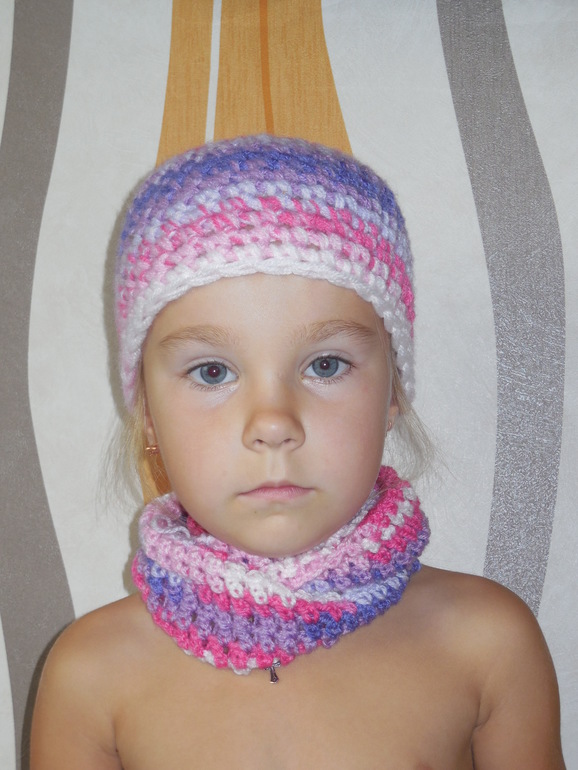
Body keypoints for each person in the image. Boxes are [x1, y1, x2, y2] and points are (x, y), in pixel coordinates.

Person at [30, 135, 565, 769]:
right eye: (211, 372)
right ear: (147, 414)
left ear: (393, 391)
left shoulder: (487, 645)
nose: (273, 423)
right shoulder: (90, 676)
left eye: (325, 364)